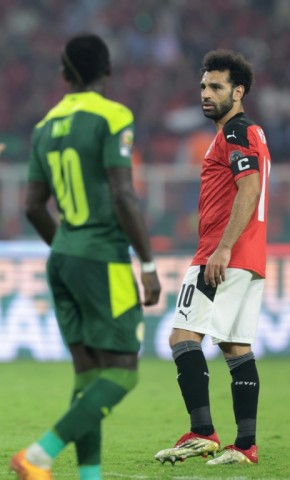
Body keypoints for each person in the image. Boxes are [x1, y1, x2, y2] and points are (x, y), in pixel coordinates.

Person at [10, 33, 161, 480]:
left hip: (62, 257)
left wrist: (65, 246)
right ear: (108, 70)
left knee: (88, 378)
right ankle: (39, 454)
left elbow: (32, 206)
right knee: (124, 373)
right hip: (103, 258)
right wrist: (148, 262)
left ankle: (88, 478)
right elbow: (122, 194)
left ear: (63, 73)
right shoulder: (113, 115)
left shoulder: (43, 126)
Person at [155, 49, 271, 466]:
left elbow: (250, 187)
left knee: (182, 337)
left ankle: (202, 433)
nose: (206, 93)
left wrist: (221, 247)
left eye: (216, 87)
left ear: (238, 92)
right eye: (203, 85)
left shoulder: (237, 132)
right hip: (251, 255)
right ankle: (246, 445)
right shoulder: (247, 132)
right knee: (236, 347)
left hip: (221, 255)